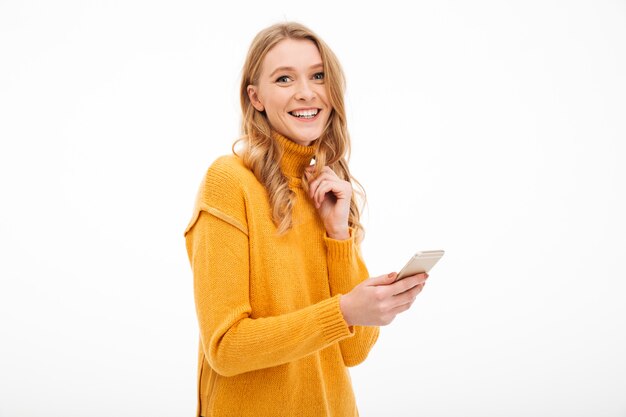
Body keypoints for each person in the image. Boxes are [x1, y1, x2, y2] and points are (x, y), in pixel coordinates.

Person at [184, 21, 428, 417]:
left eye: (318, 75)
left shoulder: (327, 190)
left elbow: (354, 351)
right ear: (256, 97)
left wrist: (337, 233)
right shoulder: (229, 182)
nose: (306, 92)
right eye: (284, 78)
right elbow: (225, 348)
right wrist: (345, 310)